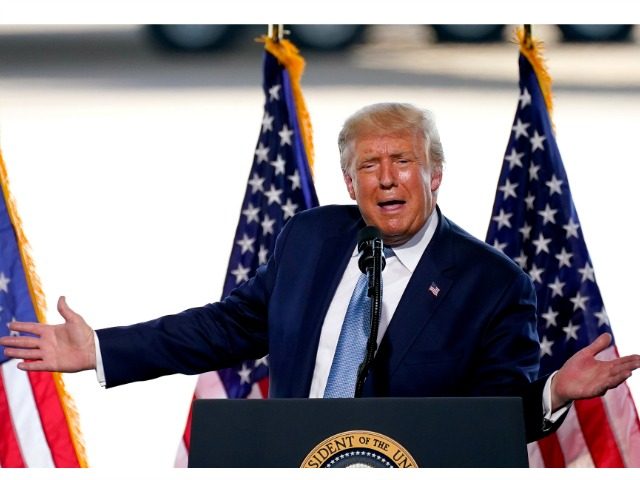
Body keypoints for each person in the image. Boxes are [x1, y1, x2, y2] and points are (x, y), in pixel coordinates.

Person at [1, 103, 638, 443]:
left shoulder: (491, 283)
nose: (386, 177)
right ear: (349, 181)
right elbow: (228, 326)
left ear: (435, 174)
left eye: (403, 161)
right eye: (369, 165)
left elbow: (493, 420)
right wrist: (103, 348)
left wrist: (554, 391)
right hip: (294, 464)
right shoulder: (310, 238)